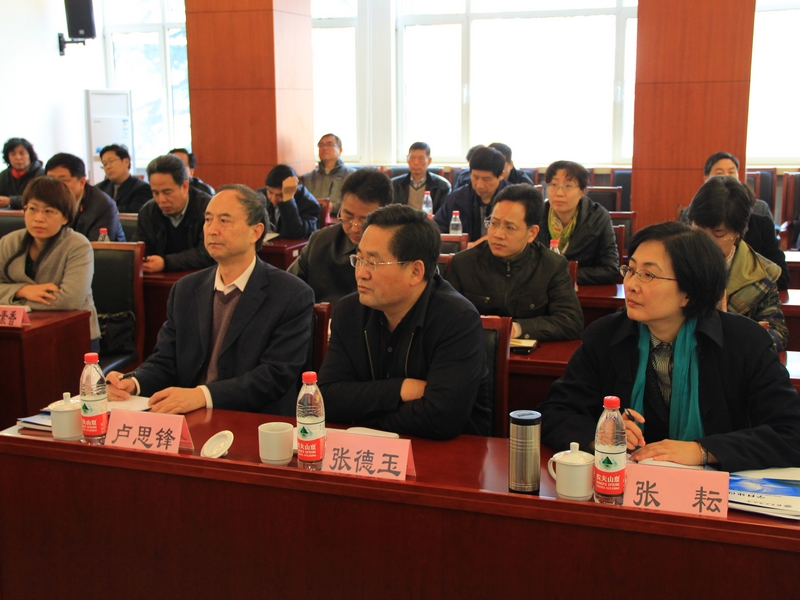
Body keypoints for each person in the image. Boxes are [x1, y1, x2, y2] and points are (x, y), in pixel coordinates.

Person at [538, 221, 800, 472]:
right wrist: (601, 434)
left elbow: (791, 431)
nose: (631, 285)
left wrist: (703, 451)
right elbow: (555, 412)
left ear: (689, 292)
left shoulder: (745, 342)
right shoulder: (605, 336)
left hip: (715, 490)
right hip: (629, 485)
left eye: (648, 275)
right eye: (630, 270)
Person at [107, 184, 314, 415]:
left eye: (224, 221)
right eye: (208, 220)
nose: (212, 230)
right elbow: (166, 360)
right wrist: (133, 382)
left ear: (256, 232)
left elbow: (274, 376)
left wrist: (202, 395)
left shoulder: (291, 294)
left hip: (253, 419)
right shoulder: (186, 289)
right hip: (189, 414)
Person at [319, 204, 491, 439]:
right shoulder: (350, 311)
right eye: (358, 259)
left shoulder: (457, 319)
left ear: (415, 272)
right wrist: (402, 389)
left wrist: (360, 416)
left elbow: (441, 418)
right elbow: (327, 398)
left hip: (446, 454)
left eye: (373, 263)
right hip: (368, 452)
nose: (361, 273)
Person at [447, 184, 583, 341]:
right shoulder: (463, 263)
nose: (498, 234)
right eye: (494, 223)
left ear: (532, 233)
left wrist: (515, 328)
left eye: (509, 227)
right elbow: (445, 318)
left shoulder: (552, 266)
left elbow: (571, 321)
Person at [686, 176, 788, 350]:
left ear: (738, 232)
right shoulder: (672, 260)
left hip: (733, 360)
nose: (706, 241)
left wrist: (740, 336)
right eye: (700, 229)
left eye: (718, 234)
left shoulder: (761, 274)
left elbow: (777, 334)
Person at [0, 176, 100, 347]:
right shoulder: (9, 242)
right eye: (32, 209)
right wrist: (22, 291)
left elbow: (70, 300)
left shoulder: (78, 245)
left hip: (73, 333)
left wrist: (11, 301)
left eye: (48, 211)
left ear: (65, 217)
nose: (38, 218)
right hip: (22, 332)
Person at [680, 151, 788, 290]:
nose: (726, 176)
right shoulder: (692, 214)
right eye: (719, 173)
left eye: (731, 172)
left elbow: (781, 279)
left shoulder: (760, 221)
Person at [288, 169, 391, 307]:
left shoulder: (396, 250)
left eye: (365, 220)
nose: (355, 228)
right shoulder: (320, 241)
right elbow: (288, 287)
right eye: (348, 216)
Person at [535, 160, 618, 285]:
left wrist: (564, 275)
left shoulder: (598, 217)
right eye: (554, 184)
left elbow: (610, 270)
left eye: (568, 186)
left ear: (582, 191)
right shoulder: (536, 215)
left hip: (582, 291)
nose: (559, 193)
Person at [134, 154, 214, 273]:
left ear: (185, 186)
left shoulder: (208, 209)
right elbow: (140, 248)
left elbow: (208, 253)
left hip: (201, 278)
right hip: (158, 279)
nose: (161, 200)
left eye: (167, 192)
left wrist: (166, 263)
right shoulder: (148, 211)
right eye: (155, 193)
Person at [433, 146, 508, 243]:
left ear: (501, 175)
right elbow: (437, 229)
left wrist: (485, 242)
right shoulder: (457, 198)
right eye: (475, 177)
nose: (480, 185)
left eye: (486, 179)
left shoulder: (514, 200)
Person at [45, 153, 125, 242]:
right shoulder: (42, 200)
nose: (55, 187)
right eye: (50, 180)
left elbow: (95, 246)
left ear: (82, 182)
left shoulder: (103, 206)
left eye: (63, 181)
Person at [257, 164, 320, 239]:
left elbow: (295, 234)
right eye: (270, 192)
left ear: (294, 190)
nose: (273, 199)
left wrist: (288, 200)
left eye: (280, 195)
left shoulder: (309, 203)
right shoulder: (261, 195)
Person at [300, 133, 356, 213]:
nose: (324, 148)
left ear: (340, 150)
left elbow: (357, 203)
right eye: (321, 145)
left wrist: (334, 208)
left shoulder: (352, 176)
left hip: (339, 218)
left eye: (330, 144)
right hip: (313, 218)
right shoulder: (307, 178)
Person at [390, 142, 451, 212]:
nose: (416, 163)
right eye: (412, 158)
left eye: (421, 158)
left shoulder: (442, 186)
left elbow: (443, 213)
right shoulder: (394, 185)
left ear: (429, 161)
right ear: (407, 160)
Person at [95, 144, 152, 213]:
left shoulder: (143, 188)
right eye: (104, 164)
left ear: (126, 162)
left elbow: (135, 210)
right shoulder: (100, 188)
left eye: (111, 161)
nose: (108, 167)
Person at [0, 138, 45, 209]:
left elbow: (39, 198)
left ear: (30, 155)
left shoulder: (41, 173)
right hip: (8, 214)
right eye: (13, 154)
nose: (18, 157)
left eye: (22, 153)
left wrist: (10, 201)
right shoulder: (4, 175)